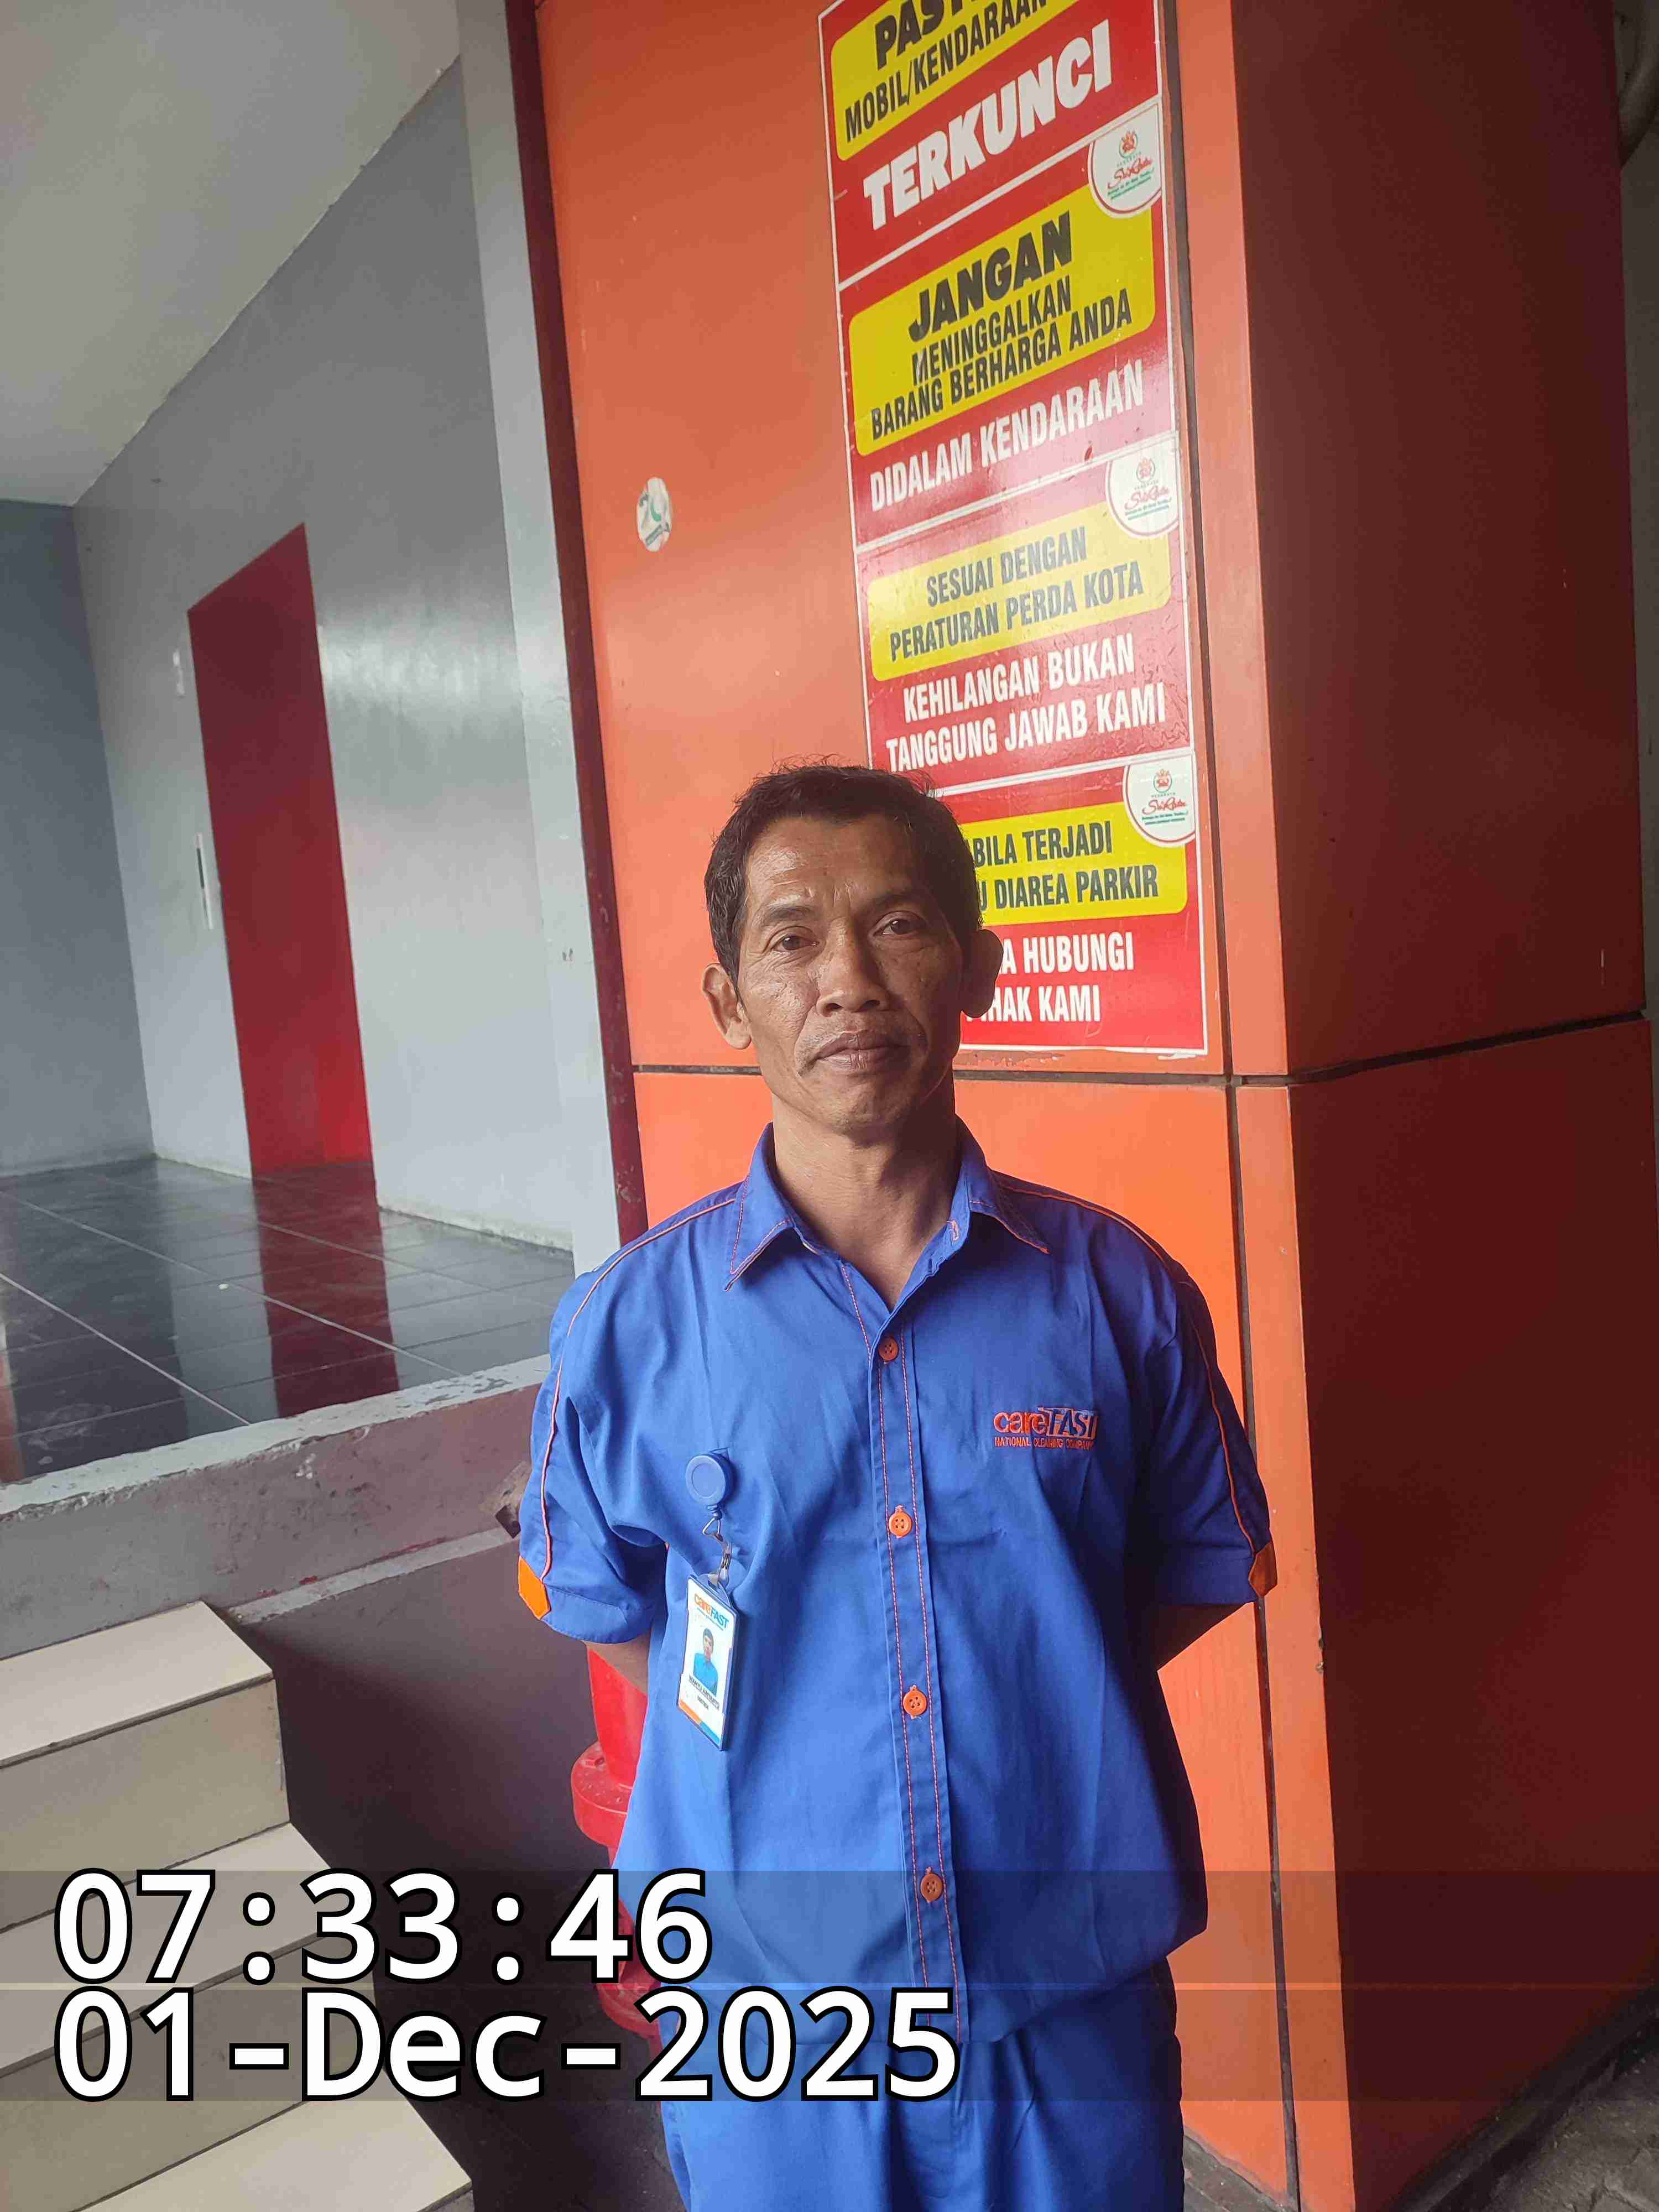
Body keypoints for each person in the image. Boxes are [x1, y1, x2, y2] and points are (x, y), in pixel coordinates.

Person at [517, 763, 1275, 2212]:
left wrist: (1026, 1671)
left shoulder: (1119, 1295)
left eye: (899, 924)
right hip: (767, 2013)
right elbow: (613, 1612)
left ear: (977, 969)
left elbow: (1187, 1576)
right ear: (729, 1003)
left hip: (1063, 2000)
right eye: (791, 939)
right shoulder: (625, 1326)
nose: (848, 981)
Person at [691, 1627, 719, 1697]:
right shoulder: (696, 1658)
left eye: (710, 1644)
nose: (707, 1646)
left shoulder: (715, 1674)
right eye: (706, 1640)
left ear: (712, 1649)